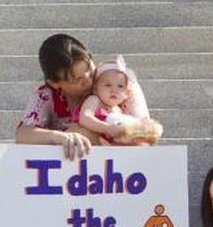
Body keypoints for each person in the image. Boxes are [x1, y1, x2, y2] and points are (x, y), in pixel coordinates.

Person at [15, 33, 149, 159]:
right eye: (77, 80)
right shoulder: (46, 94)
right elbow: (23, 134)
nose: (89, 81)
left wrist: (94, 135)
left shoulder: (119, 83)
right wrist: (59, 137)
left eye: (90, 71)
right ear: (55, 83)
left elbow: (146, 133)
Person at [76, 56, 163, 145]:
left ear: (126, 94)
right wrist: (107, 128)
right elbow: (84, 118)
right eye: (107, 85)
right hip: (92, 139)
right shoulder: (95, 100)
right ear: (95, 88)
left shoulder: (119, 110)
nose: (114, 90)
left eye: (120, 86)